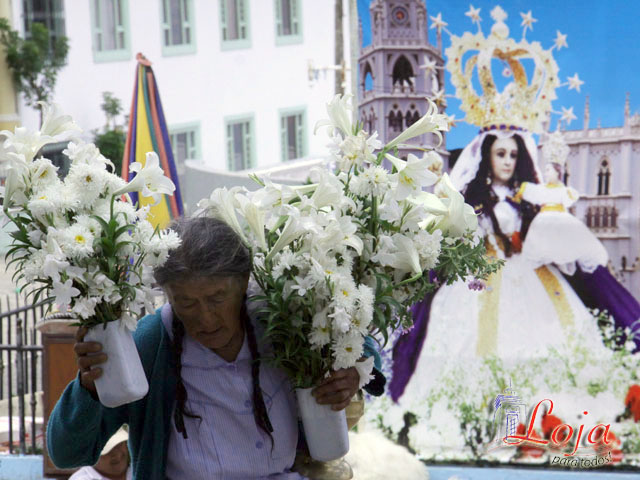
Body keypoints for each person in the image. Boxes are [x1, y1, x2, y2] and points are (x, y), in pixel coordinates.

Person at [47, 216, 384, 479]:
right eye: (186, 303)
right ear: (166, 294)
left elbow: (356, 341)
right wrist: (90, 387)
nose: (205, 319)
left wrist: (352, 371)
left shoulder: (281, 317)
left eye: (216, 298)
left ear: (244, 283)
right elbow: (66, 453)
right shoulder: (150, 344)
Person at [384, 129, 640, 458]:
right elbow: (460, 239)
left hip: (531, 274)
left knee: (551, 338)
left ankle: (551, 419)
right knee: (482, 347)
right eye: (501, 154)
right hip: (482, 279)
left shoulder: (526, 197)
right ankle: (486, 421)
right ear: (487, 157)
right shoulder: (472, 198)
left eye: (513, 155)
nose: (507, 161)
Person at [516, 161, 608, 276]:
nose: (546, 173)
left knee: (563, 243)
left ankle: (562, 265)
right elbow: (528, 192)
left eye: (548, 170)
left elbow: (568, 200)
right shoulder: (541, 189)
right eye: (546, 170)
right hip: (543, 219)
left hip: (559, 218)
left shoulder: (564, 190)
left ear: (557, 172)